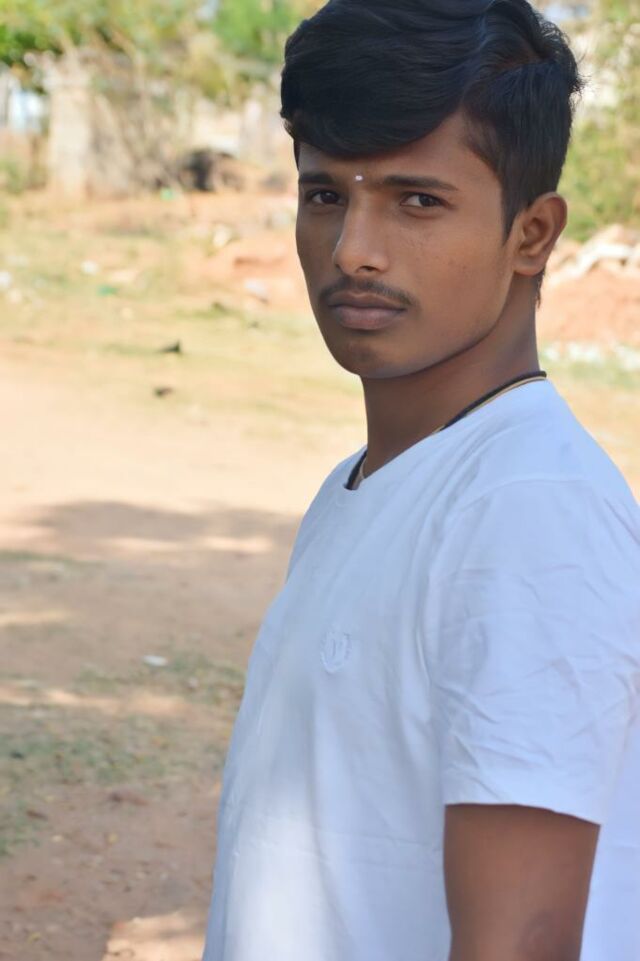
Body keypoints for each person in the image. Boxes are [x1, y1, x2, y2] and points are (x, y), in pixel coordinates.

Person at [201, 1, 640, 959]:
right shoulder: (369, 483)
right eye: (326, 194)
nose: (353, 248)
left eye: (417, 201)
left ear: (533, 234)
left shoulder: (528, 509)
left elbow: (521, 939)